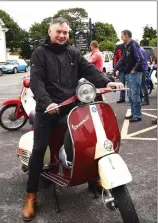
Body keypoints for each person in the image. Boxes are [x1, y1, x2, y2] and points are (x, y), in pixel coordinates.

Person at [22, 17, 124, 221]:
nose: (62, 35)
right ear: (50, 32)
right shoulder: (40, 53)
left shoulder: (73, 52)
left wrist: (107, 81)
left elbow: (89, 70)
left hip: (71, 105)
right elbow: (37, 81)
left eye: (65, 33)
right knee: (39, 148)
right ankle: (31, 194)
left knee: (90, 136)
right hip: (48, 108)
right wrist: (46, 102)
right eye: (58, 32)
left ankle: (92, 175)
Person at [113, 30, 144, 122]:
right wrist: (114, 69)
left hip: (135, 74)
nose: (121, 38)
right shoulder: (127, 46)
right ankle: (134, 113)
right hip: (129, 73)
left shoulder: (134, 45)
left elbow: (140, 59)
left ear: (127, 36)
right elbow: (122, 59)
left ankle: (137, 115)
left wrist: (134, 69)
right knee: (130, 95)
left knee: (134, 95)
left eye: (122, 36)